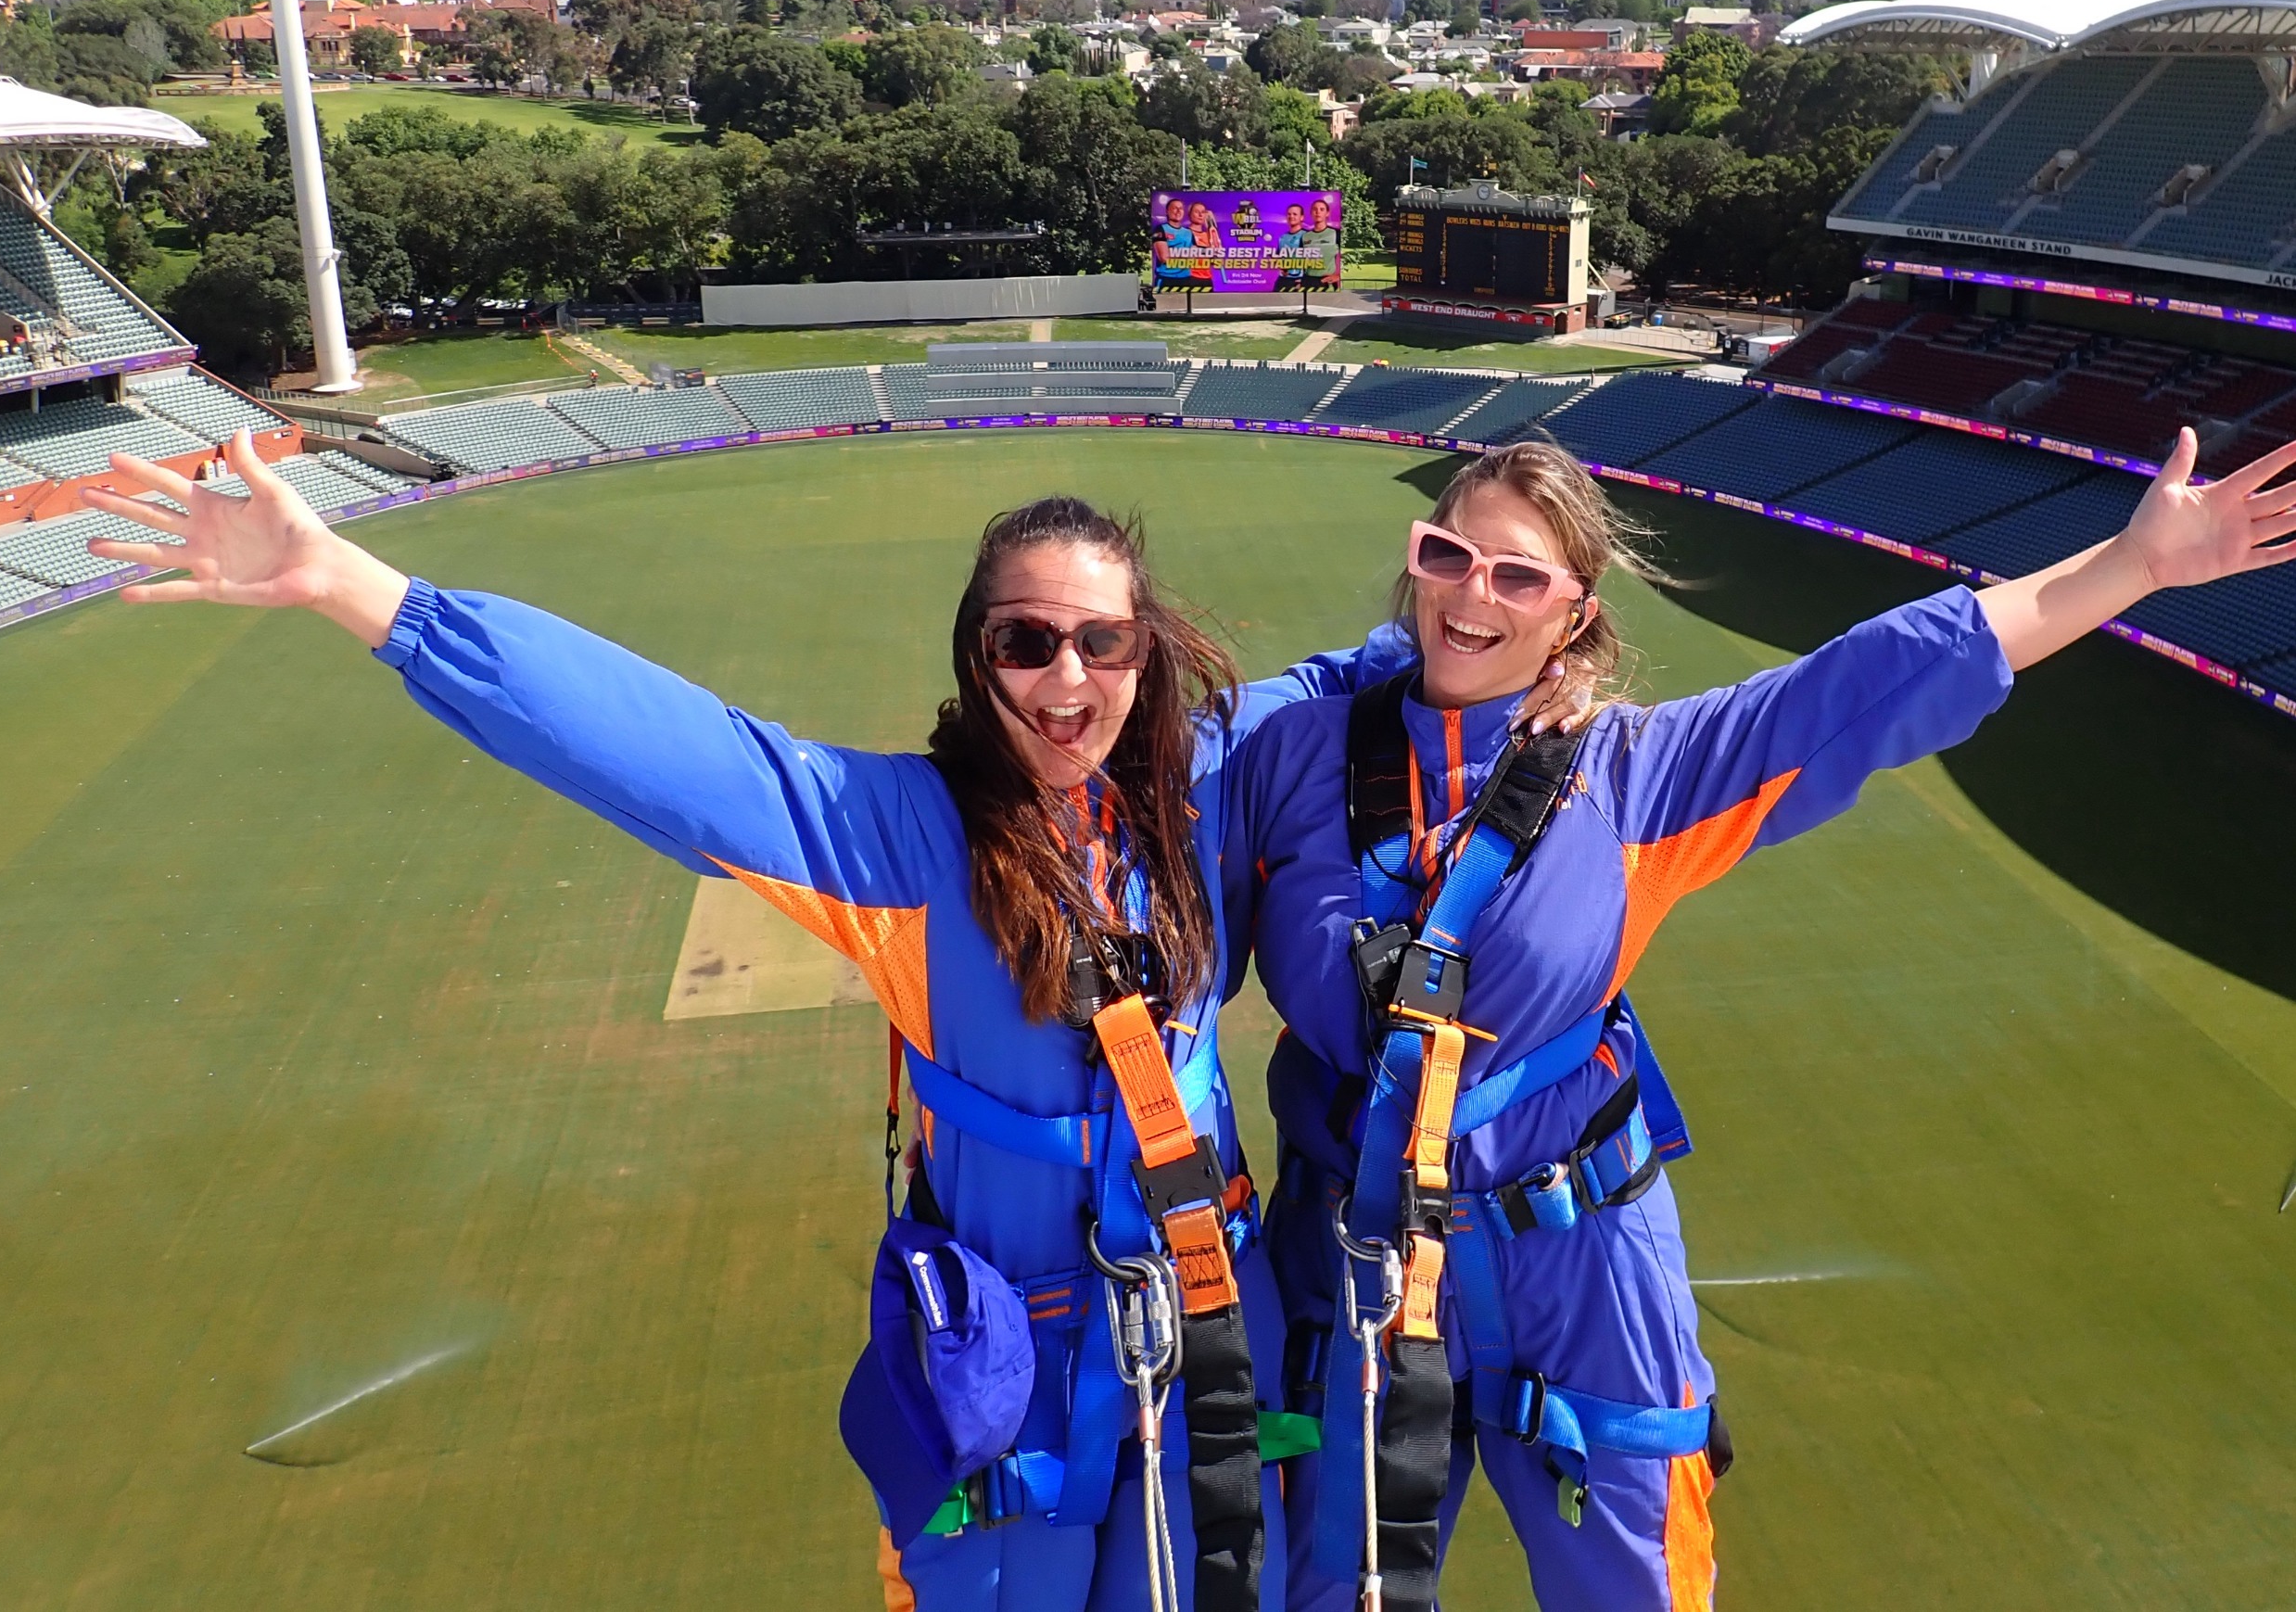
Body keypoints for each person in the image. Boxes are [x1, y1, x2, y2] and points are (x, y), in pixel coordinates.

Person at [77, 437, 1572, 1612]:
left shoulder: (1196, 786)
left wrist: (1528, 645)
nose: (1067, 682)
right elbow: (657, 751)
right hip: (1024, 1388)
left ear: (1146, 659)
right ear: (973, 661)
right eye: (1024, 644)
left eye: (1102, 646)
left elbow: (1374, 672)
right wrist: (356, 591)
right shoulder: (900, 843)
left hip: (1200, 1355)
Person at [1222, 430, 2296, 1612]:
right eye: (1450, 555)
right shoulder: (1290, 752)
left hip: (1585, 1270)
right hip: (1353, 1262)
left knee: (1640, 1584)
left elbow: (1864, 688)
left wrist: (2134, 565)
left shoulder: (1637, 776)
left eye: (1519, 576)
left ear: (1575, 615)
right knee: (1330, 1590)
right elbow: (1115, 757)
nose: (1472, 595)